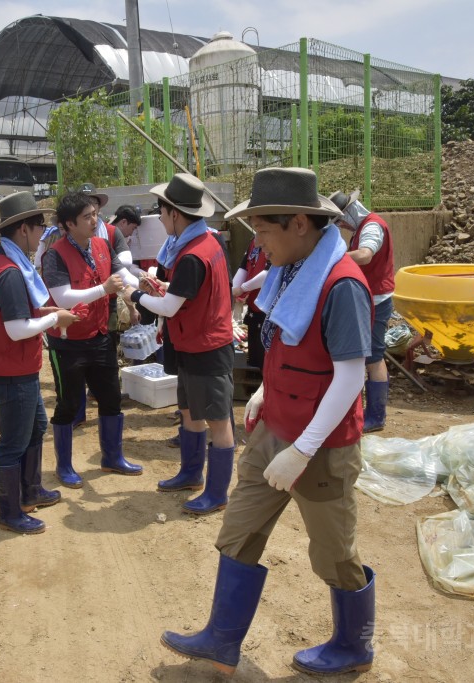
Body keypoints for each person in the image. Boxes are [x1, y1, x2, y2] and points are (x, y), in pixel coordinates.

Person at [160, 167, 375, 676]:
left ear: (299, 223)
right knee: (239, 529)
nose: (257, 242)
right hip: (273, 429)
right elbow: (289, 344)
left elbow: (348, 379)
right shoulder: (292, 270)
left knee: (334, 554)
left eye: (262, 229)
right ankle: (220, 640)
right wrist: (262, 389)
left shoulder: (342, 284)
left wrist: (302, 450)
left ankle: (353, 644)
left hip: (320, 448)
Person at [120, 173, 234, 516]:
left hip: (207, 347)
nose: (160, 216)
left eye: (162, 210)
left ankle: (217, 492)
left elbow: (170, 307)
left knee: (217, 421)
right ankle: (190, 473)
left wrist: (136, 294)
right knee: (188, 411)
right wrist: (159, 289)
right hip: (192, 343)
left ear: (175, 214)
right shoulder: (202, 244)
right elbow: (182, 297)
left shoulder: (192, 255)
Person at [0, 191, 78, 533]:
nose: (42, 234)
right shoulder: (9, 272)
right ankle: (10, 511)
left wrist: (44, 312)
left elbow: (17, 315)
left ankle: (30, 490)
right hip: (11, 369)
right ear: (23, 230)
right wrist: (55, 319)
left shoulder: (6, 263)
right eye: (39, 227)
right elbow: (17, 329)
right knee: (13, 442)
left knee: (35, 427)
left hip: (17, 367)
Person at [42, 191, 143, 487]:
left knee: (111, 398)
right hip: (68, 341)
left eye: (95, 214)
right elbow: (63, 296)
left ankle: (112, 457)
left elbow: (119, 275)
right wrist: (104, 289)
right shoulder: (54, 254)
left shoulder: (100, 244)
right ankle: (64, 466)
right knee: (69, 405)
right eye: (87, 216)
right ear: (69, 224)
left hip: (100, 335)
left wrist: (141, 283)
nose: (94, 220)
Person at [330, 190, 395, 433]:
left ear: (349, 213)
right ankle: (364, 411)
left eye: (341, 221)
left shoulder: (372, 227)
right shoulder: (363, 227)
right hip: (369, 297)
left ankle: (376, 415)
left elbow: (365, 255)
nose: (343, 226)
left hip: (376, 299)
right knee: (364, 356)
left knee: (374, 357)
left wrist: (335, 258)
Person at [232, 233, 270, 370]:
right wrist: (233, 289)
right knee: (257, 360)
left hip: (268, 309)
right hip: (254, 307)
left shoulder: (276, 239)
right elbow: (244, 265)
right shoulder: (254, 240)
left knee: (267, 362)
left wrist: (242, 288)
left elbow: (270, 272)